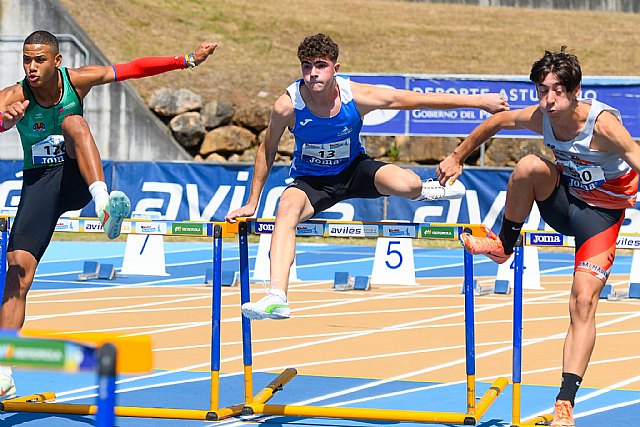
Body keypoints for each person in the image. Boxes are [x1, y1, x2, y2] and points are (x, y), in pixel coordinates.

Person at [225, 33, 509, 321]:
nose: (312, 73)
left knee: (407, 183)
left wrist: (478, 101)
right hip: (312, 181)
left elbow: (417, 100)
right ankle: (277, 297)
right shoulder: (287, 106)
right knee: (285, 210)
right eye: (306, 66)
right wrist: (252, 202)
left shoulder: (358, 96)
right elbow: (267, 147)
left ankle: (424, 191)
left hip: (355, 170)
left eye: (320, 65)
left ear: (336, 68)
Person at [0, 30, 217, 400]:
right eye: (26, 60)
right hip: (39, 185)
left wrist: (187, 60)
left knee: (74, 123)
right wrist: (3, 123)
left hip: (76, 175)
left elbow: (133, 69)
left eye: (39, 60)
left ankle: (103, 203)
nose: (31, 67)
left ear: (57, 61)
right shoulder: (12, 97)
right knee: (17, 272)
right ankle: (4, 370)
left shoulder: (78, 80)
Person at [437, 47, 640, 427]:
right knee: (529, 165)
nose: (548, 100)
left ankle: (565, 402)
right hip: (564, 201)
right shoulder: (541, 117)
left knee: (582, 302)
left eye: (557, 91)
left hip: (601, 218)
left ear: (575, 90)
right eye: (541, 90)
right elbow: (496, 121)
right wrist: (458, 156)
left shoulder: (603, 125)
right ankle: (503, 245)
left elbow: (635, 155)